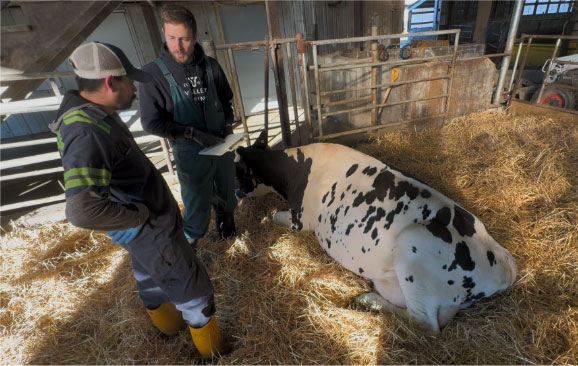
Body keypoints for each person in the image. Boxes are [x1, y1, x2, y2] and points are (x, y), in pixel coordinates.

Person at [48, 41, 229, 359]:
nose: (135, 88)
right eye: (129, 80)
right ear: (110, 82)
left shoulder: (94, 116)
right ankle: (214, 355)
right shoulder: (86, 133)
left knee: (152, 281)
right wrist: (139, 216)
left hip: (144, 237)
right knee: (195, 294)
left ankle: (170, 333)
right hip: (154, 232)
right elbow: (81, 209)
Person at [139, 4, 237, 247]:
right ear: (164, 34)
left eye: (184, 39)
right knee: (196, 201)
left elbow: (226, 100)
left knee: (226, 189)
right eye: (172, 38)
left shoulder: (211, 66)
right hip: (190, 152)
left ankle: (226, 224)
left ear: (194, 37)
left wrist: (227, 124)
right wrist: (190, 133)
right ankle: (190, 244)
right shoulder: (152, 74)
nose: (178, 46)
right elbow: (151, 122)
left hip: (221, 145)